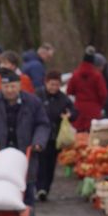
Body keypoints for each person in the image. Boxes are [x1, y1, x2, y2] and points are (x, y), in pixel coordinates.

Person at [0, 72, 51, 205]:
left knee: (25, 187)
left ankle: (26, 212)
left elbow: (42, 124)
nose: (9, 90)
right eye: (6, 87)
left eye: (13, 86)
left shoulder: (33, 102)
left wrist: (38, 142)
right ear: (1, 86)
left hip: (24, 152)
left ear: (20, 86)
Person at [37, 71, 73, 201]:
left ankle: (46, 188)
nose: (54, 87)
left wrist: (69, 115)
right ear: (46, 83)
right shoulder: (38, 95)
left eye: (57, 85)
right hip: (39, 135)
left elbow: (74, 111)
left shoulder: (63, 98)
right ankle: (40, 187)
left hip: (54, 136)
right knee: (40, 163)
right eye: (51, 84)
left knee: (51, 164)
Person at [66, 49, 108, 131]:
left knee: (79, 135)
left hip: (78, 109)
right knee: (94, 135)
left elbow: (69, 91)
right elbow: (103, 94)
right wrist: (100, 105)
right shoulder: (97, 76)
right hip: (94, 110)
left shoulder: (75, 74)